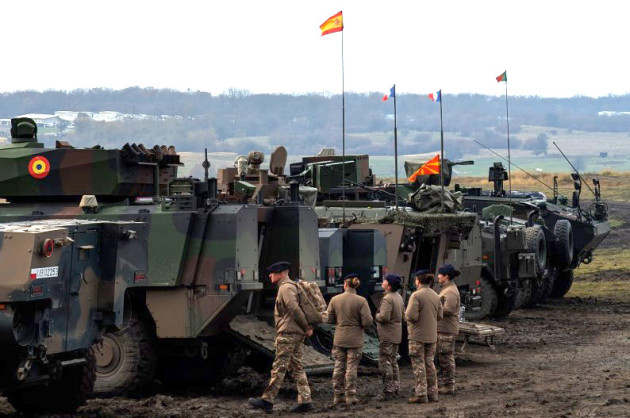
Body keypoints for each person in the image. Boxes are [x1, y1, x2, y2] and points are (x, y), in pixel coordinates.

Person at [249, 261, 314, 413]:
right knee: (296, 367)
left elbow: (293, 308)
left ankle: (267, 400)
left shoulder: (286, 287)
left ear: (282, 272)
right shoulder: (291, 286)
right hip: (294, 333)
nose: (270, 275)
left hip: (288, 334)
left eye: (272, 272)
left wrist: (306, 326)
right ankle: (305, 401)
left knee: (279, 368)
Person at [326, 273, 374, 406]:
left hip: (339, 338)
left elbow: (329, 319)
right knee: (351, 367)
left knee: (338, 366)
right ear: (356, 285)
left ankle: (338, 396)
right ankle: (350, 395)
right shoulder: (361, 301)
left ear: (345, 284)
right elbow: (367, 322)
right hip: (355, 339)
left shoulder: (335, 299)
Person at [405, 269, 443, 403]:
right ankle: (433, 393)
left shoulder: (416, 295)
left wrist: (405, 314)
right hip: (431, 336)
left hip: (417, 336)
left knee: (418, 364)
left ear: (418, 280)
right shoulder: (436, 295)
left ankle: (421, 394)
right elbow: (440, 316)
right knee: (429, 363)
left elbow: (411, 316)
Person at [375, 274, 404, 399]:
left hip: (387, 335)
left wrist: (376, 316)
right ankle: (396, 388)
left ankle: (388, 390)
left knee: (385, 363)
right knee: (393, 362)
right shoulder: (398, 297)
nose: (383, 282)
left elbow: (384, 317)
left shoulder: (387, 298)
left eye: (385, 281)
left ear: (389, 285)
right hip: (396, 334)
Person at [436, 264, 461, 395]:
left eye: (440, 274)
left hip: (447, 329)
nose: (438, 276)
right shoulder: (447, 289)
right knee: (443, 357)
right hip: (444, 328)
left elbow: (448, 310)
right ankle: (445, 383)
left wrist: (434, 308)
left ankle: (448, 385)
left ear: (446, 276)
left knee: (446, 358)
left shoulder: (450, 291)